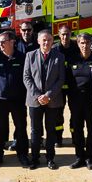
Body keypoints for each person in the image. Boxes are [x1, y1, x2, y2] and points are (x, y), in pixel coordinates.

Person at [22, 29, 67, 169]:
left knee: (51, 130)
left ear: (52, 41)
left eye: (48, 40)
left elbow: (61, 79)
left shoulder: (59, 56)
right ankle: (35, 158)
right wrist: (37, 95)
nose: (46, 42)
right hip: (34, 100)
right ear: (38, 41)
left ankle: (50, 158)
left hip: (52, 100)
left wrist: (48, 95)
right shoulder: (30, 56)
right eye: (43, 40)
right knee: (35, 130)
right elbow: (26, 77)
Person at [0, 32, 28, 167]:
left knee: (21, 127)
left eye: (3, 42)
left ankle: (22, 154)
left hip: (18, 100)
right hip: (1, 100)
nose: (0, 44)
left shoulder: (22, 57)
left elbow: (26, 77)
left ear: (12, 42)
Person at [65, 34, 92, 169]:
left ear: (91, 44)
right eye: (82, 43)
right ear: (78, 44)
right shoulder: (72, 60)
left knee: (91, 129)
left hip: (91, 102)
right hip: (75, 101)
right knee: (77, 129)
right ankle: (79, 157)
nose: (84, 46)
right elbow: (66, 80)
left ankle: (90, 157)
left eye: (87, 43)